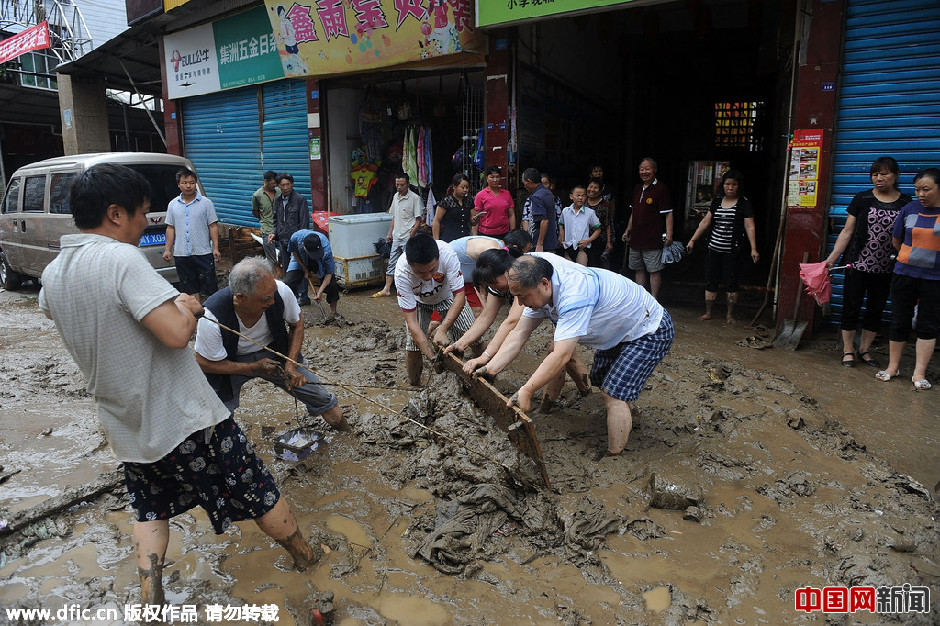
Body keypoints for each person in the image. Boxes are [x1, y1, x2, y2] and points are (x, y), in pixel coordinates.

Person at [38, 164, 320, 605]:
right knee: (256, 486)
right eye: (141, 214)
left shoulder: (54, 274)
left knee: (150, 507)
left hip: (126, 422)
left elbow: (86, 320)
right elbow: (175, 334)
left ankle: (152, 597)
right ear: (115, 213)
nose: (145, 224)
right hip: (183, 415)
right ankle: (307, 557)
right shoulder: (119, 258)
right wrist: (187, 305)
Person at [473, 254, 674, 455]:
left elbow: (561, 355)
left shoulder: (574, 294)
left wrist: (526, 390)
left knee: (613, 393)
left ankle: (614, 456)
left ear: (544, 284)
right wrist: (489, 369)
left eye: (523, 297)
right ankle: (627, 413)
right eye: (516, 297)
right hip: (618, 328)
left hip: (648, 328)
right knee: (603, 380)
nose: (520, 303)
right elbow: (519, 334)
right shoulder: (537, 287)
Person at [195, 257, 350, 429]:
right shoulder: (211, 317)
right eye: (265, 299)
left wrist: (291, 365)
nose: (272, 302)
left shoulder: (280, 291)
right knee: (217, 415)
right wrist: (253, 367)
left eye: (273, 294)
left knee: (319, 395)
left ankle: (346, 433)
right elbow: (203, 362)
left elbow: (297, 324)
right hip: (231, 361)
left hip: (275, 352)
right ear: (241, 297)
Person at [457, 245, 593, 412]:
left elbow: (512, 321)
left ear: (508, 272)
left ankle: (549, 406)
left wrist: (487, 359)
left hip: (576, 301)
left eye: (494, 283)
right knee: (564, 352)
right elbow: (492, 319)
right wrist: (466, 348)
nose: (494, 287)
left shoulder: (525, 276)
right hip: (556, 303)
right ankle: (584, 395)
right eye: (489, 285)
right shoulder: (513, 277)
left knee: (558, 352)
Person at [824, 157, 911, 367]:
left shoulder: (906, 203)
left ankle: (864, 350)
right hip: (857, 264)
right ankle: (847, 350)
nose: (878, 178)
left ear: (896, 175)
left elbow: (910, 236)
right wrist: (831, 259)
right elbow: (847, 231)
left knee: (876, 308)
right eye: (875, 174)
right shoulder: (862, 198)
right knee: (851, 306)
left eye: (884, 174)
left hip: (887, 267)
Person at [875, 167, 940, 390]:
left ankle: (919, 373)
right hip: (904, 274)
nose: (921, 194)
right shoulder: (909, 209)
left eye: (926, 189)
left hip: (934, 278)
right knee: (899, 320)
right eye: (917, 190)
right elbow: (897, 239)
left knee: (927, 324)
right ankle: (893, 367)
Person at [396, 233, 478, 385]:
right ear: (409, 263)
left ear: (438, 257)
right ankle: (414, 384)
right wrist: (431, 355)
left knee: (475, 336)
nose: (428, 276)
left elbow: (459, 296)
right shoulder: (402, 273)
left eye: (433, 270)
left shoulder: (447, 253)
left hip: (448, 297)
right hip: (419, 302)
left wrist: (443, 329)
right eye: (421, 273)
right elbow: (412, 323)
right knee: (413, 346)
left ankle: (484, 375)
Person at [686, 170, 760, 323]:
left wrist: (753, 248)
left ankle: (730, 314)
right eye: (727, 184)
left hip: (733, 251)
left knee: (732, 282)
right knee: (710, 280)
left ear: (739, 186)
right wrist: (693, 240)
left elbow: (749, 226)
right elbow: (705, 222)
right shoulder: (716, 202)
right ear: (723, 185)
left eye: (734, 184)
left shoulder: (744, 204)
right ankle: (708, 312)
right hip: (713, 249)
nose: (730, 187)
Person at [162, 168, 220, 297]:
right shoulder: (173, 205)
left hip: (203, 253)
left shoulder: (206, 203)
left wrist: (215, 248)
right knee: (190, 290)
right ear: (178, 184)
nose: (188, 186)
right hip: (181, 254)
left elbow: (213, 226)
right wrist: (167, 249)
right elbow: (170, 228)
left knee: (211, 288)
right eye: (184, 182)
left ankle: (213, 315)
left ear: (196, 184)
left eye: (192, 182)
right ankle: (196, 317)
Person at [622, 158, 673, 300]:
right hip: (636, 237)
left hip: (653, 237)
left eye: (647, 168)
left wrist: (669, 233)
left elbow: (668, 213)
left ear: (655, 170)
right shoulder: (637, 188)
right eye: (642, 169)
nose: (644, 172)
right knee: (638, 268)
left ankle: (654, 298)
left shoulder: (661, 189)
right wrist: (627, 230)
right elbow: (633, 212)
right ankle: (642, 298)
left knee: (654, 270)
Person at [374, 172, 423, 297]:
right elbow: (394, 217)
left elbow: (418, 220)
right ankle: (387, 289)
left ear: (408, 184)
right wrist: (389, 233)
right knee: (392, 263)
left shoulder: (415, 198)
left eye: (402, 185)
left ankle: (413, 289)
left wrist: (411, 234)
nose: (399, 187)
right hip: (396, 237)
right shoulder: (396, 196)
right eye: (397, 185)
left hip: (408, 237)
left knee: (410, 264)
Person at [269, 173, 311, 293]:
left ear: (292, 184)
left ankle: (303, 294)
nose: (286, 187)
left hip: (296, 242)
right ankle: (291, 294)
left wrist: (302, 240)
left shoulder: (300, 199)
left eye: (288, 184)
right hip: (283, 240)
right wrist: (274, 234)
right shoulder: (277, 200)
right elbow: (276, 220)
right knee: (288, 269)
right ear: (278, 186)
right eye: (283, 185)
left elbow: (304, 221)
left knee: (299, 268)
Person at [285, 230, 340, 316]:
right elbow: (294, 253)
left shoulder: (325, 248)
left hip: (319, 261)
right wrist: (304, 268)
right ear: (303, 246)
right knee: (288, 282)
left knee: (332, 285)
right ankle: (289, 312)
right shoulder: (295, 238)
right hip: (300, 257)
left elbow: (329, 273)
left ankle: (334, 312)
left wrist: (320, 292)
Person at [559, 184, 601, 265]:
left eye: (583, 196)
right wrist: (562, 238)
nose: (580, 198)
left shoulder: (589, 213)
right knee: (569, 271)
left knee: (582, 272)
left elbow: (598, 229)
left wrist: (587, 241)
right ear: (571, 196)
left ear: (586, 197)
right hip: (568, 246)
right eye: (578, 195)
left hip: (581, 248)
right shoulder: (565, 211)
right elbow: (561, 225)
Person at [473, 166, 515, 239]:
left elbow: (511, 215)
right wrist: (475, 236)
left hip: (504, 234)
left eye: (497, 177)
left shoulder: (506, 194)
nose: (495, 180)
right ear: (486, 178)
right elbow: (476, 217)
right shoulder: (480, 195)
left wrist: (513, 233)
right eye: (492, 177)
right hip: (485, 234)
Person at [523, 167, 558, 253]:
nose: (524, 186)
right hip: (551, 240)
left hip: (542, 243)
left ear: (529, 182)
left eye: (525, 183)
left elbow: (544, 221)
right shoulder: (547, 193)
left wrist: (539, 243)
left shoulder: (537, 197)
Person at [433, 173, 474, 242]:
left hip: (465, 238)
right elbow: (436, 221)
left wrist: (475, 219)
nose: (465, 190)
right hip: (450, 239)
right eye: (462, 187)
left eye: (467, 187)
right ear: (454, 186)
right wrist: (437, 241)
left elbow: (473, 222)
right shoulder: (446, 201)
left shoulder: (469, 201)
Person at [252, 170, 279, 266]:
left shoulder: (279, 191)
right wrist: (264, 220)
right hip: (267, 229)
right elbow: (255, 211)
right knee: (271, 261)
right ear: (265, 181)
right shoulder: (257, 195)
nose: (274, 185)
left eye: (276, 183)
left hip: (280, 229)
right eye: (272, 183)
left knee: (284, 256)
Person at [585, 177, 614, 268]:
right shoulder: (582, 203)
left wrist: (609, 241)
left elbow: (608, 224)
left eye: (596, 187)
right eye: (590, 187)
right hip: (584, 238)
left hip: (600, 240)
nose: (592, 190)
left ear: (600, 191)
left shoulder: (605, 205)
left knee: (597, 264)